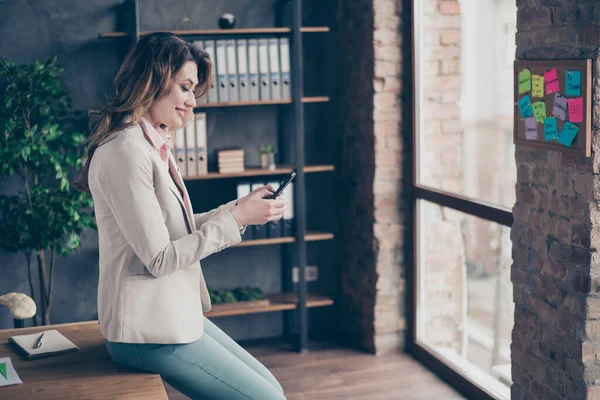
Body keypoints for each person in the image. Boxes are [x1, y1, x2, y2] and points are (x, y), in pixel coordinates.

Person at [73, 32, 288, 400]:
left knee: (272, 389)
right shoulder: (126, 152)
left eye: (194, 91)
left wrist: (240, 209)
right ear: (152, 81)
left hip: (171, 317)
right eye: (185, 87)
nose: (191, 101)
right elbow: (160, 258)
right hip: (144, 333)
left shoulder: (152, 143)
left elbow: (177, 228)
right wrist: (237, 221)